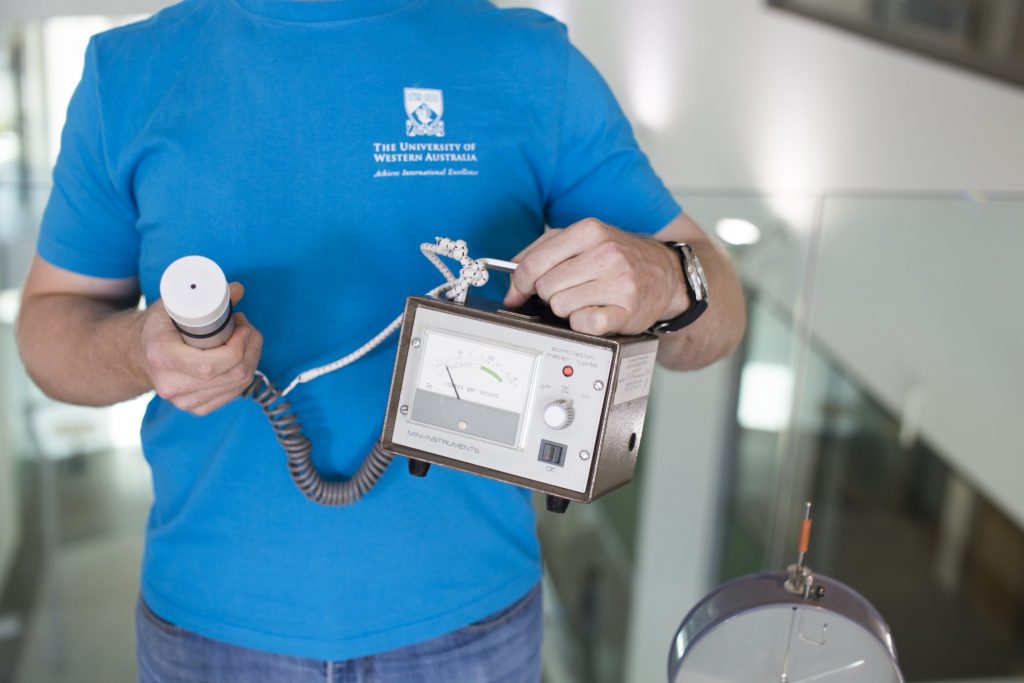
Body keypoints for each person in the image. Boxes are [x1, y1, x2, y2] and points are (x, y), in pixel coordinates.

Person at [16, 1, 745, 681]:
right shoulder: (130, 71)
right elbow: (49, 329)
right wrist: (135, 349)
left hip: (474, 628)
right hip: (210, 632)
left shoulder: (526, 60)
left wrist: (666, 281)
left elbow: (720, 320)